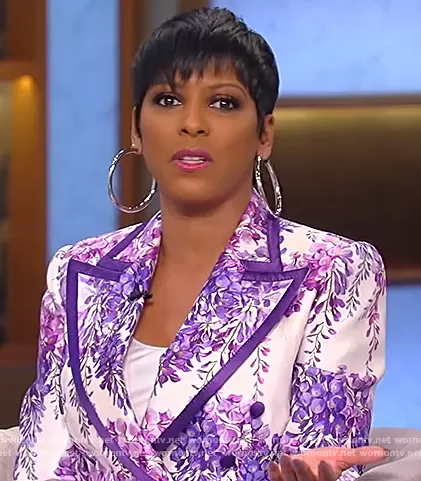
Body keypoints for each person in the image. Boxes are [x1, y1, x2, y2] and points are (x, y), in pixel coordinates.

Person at [13, 7, 387, 481]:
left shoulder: (335, 271)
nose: (192, 123)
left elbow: (325, 459)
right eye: (168, 100)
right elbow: (43, 458)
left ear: (265, 134)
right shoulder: (76, 272)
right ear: (136, 127)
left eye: (223, 103)